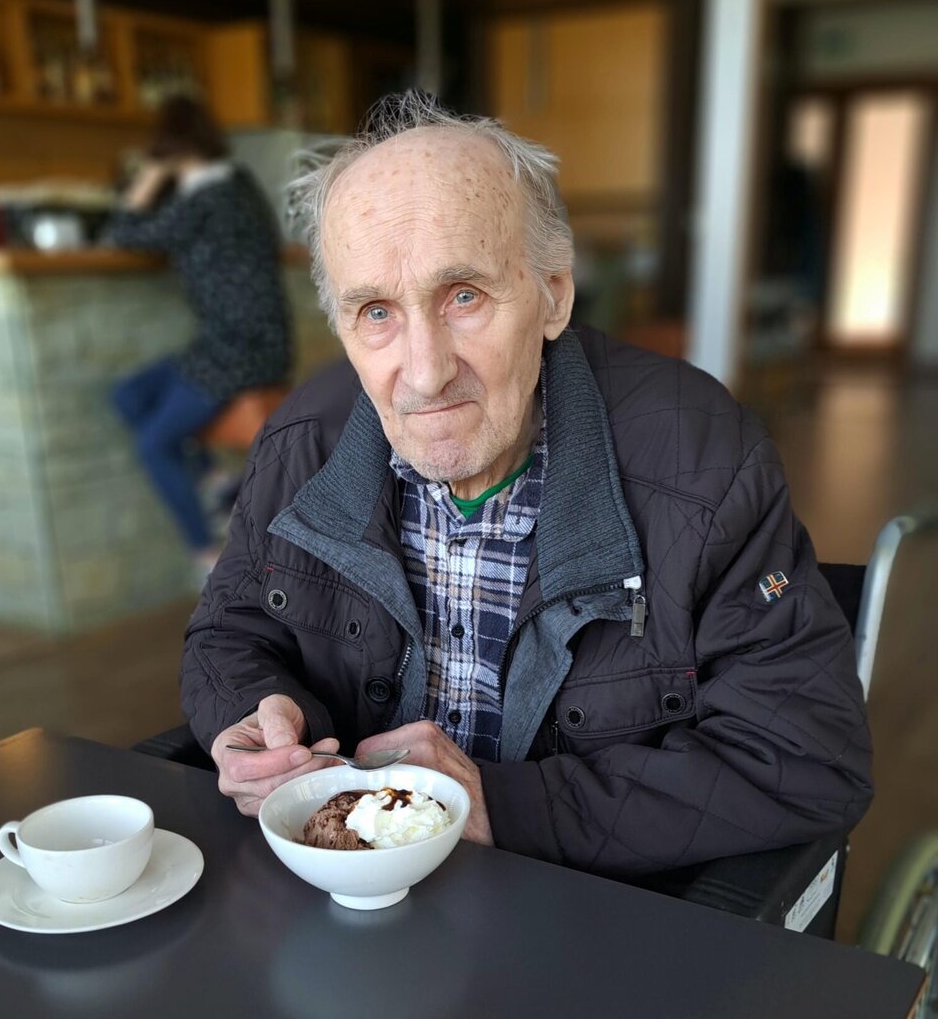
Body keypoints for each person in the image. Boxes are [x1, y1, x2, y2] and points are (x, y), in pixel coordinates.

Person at [180, 92, 872, 880]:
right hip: (350, 891)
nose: (425, 372)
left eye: (464, 296)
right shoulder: (302, 442)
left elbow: (806, 758)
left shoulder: (703, 460)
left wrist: (505, 807)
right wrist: (251, 714)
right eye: (375, 312)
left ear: (553, 294)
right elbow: (228, 633)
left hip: (588, 912)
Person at [105, 95, 292, 581]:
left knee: (153, 446)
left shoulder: (206, 199)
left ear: (167, 144)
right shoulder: (236, 183)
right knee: (129, 396)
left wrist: (150, 175)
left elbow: (122, 231)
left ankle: (208, 556)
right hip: (234, 342)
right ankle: (214, 479)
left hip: (242, 350)